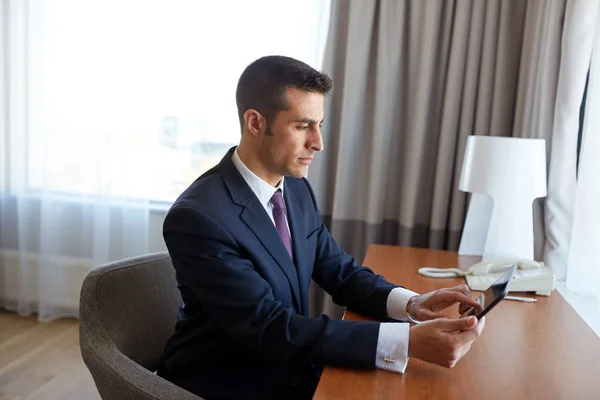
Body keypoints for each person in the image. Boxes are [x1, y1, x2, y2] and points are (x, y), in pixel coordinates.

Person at [157, 55, 485, 399]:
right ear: (255, 122)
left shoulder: (294, 187)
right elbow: (269, 328)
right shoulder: (198, 218)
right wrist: (406, 342)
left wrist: (411, 304)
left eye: (319, 125)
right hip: (230, 384)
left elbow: (339, 271)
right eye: (302, 126)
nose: (318, 143)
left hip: (291, 367)